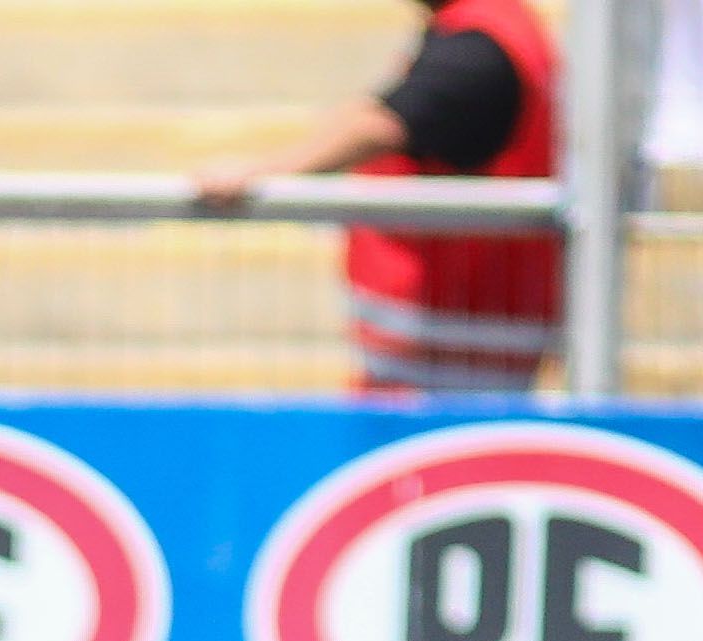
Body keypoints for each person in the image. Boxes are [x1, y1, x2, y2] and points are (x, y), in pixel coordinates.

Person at [192, 0, 561, 391]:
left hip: (449, 361)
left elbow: (383, 124)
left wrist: (263, 170)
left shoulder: (481, 46)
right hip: (448, 350)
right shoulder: (496, 29)